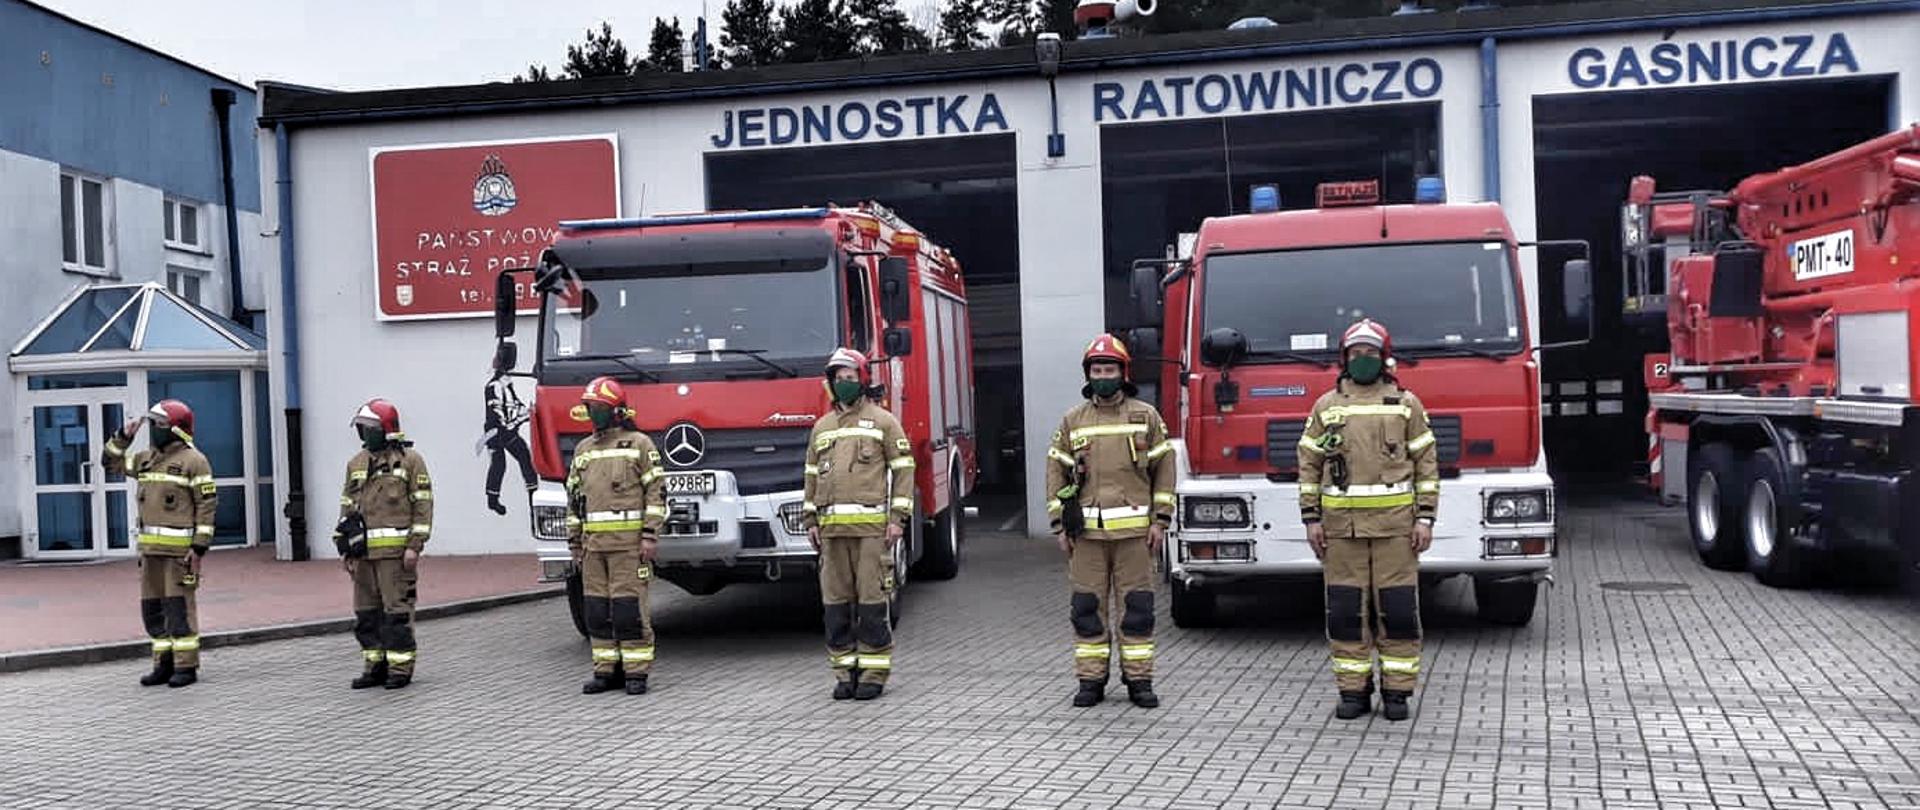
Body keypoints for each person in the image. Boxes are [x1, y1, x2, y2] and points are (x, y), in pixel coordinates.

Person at [1297, 319, 1439, 722]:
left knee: (1397, 612)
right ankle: (1353, 692)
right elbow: (1309, 466)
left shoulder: (1406, 404)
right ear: (1344, 358)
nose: (1363, 360)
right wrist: (1311, 520)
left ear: (1384, 357)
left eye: (1370, 353)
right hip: (1342, 533)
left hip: (1397, 531)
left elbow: (1426, 465)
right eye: (1355, 353)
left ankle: (1397, 694)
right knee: (1345, 614)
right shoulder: (1327, 407)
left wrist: (1425, 518)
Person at [1045, 334, 1175, 709]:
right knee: (1087, 609)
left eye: (1110, 369)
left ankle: (1139, 681)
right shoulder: (1073, 421)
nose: (1104, 376)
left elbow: (1165, 470)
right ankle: (1091, 681)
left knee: (1137, 609)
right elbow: (1055, 473)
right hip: (1086, 536)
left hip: (1135, 534)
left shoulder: (1145, 416)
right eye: (1097, 369)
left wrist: (1160, 521)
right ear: (1088, 375)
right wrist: (1058, 525)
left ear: (1123, 373)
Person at [802, 348, 915, 701]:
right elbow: (810, 476)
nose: (843, 384)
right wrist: (810, 520)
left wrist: (897, 519)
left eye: (850, 378)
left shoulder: (883, 421)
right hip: (832, 534)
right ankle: (843, 673)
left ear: (862, 380)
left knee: (870, 604)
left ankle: (873, 674)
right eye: (838, 379)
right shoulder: (822, 427)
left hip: (871, 533)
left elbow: (904, 469)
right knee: (834, 607)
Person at [103, 400, 217, 688]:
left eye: (159, 424)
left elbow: (207, 504)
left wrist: (199, 547)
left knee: (179, 611)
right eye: (152, 424)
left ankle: (186, 666)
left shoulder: (195, 461)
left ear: (176, 429)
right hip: (150, 553)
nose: (154, 429)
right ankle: (162, 664)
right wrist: (123, 437)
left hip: (178, 555)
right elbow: (111, 462)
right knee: (153, 611)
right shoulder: (146, 459)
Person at [566, 376, 667, 695]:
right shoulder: (583, 450)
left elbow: (656, 493)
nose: (593, 414)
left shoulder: (639, 445)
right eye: (589, 408)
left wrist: (649, 536)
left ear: (617, 410)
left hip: (628, 548)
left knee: (628, 610)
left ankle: (636, 672)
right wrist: (574, 541)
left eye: (598, 408)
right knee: (596, 611)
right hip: (593, 548)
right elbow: (574, 500)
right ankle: (605, 670)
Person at [334, 398, 433, 690]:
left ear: (385, 429)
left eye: (368, 428)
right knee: (365, 613)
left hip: (394, 555)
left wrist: (415, 545)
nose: (364, 434)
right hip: (363, 555)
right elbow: (347, 508)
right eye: (362, 429)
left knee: (395, 612)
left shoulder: (410, 461)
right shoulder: (356, 463)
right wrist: (345, 548)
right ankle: (374, 665)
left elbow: (423, 505)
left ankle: (400, 668)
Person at [482, 364, 537, 516]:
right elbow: (498, 411)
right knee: (500, 464)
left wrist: (528, 414)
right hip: (497, 433)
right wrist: (518, 419)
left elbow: (516, 406)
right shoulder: (494, 387)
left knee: (524, 458)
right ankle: (493, 499)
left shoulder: (507, 387)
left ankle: (533, 495)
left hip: (507, 431)